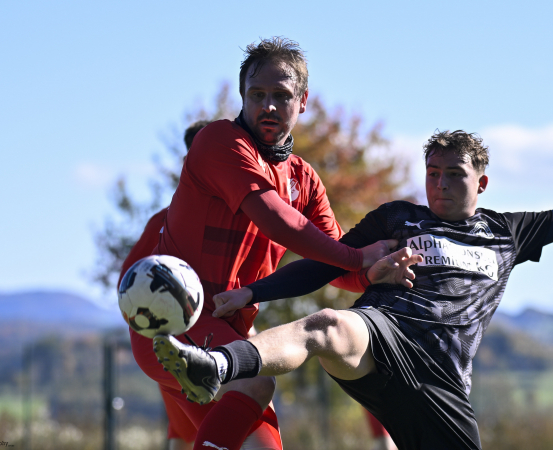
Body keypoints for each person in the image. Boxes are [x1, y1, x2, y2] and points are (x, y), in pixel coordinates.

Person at [154, 129, 553, 449]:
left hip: (441, 382)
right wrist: (253, 294)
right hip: (380, 338)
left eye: (453, 175)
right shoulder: (398, 218)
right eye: (432, 173)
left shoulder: (510, 232)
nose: (438, 184)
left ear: (480, 182)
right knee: (329, 324)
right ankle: (218, 366)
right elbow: (324, 262)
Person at [128, 37, 395, 450]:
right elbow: (277, 219)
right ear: (242, 96)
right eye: (257, 95)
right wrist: (359, 256)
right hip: (175, 327)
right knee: (256, 382)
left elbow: (336, 262)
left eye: (280, 95)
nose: (267, 105)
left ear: (303, 101)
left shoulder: (304, 179)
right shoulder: (220, 141)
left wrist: (375, 272)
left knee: (263, 444)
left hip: (226, 336)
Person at [118, 120, 209, 450]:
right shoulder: (165, 221)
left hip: (220, 340)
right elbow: (129, 281)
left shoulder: (246, 215)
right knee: (203, 430)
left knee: (196, 433)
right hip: (173, 342)